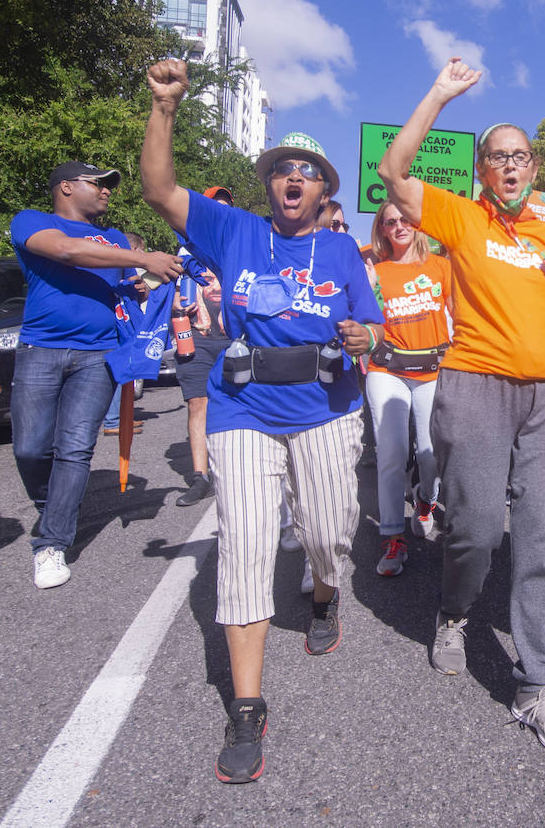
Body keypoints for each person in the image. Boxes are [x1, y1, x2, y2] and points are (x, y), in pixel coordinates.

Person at [143, 58, 385, 784]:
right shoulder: (234, 231)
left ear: (323, 190)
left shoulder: (343, 248)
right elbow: (158, 189)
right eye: (283, 166)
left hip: (326, 407)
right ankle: (247, 706)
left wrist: (363, 339)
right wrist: (164, 107)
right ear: (269, 180)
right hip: (243, 408)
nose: (293, 176)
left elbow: (373, 329)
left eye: (307, 170)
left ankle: (321, 591)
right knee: (246, 542)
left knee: (326, 532)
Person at [378, 57, 545, 754]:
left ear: (534, 165)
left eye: (519, 156)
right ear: (484, 170)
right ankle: (455, 612)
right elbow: (392, 172)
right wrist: (438, 93)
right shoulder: (461, 218)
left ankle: (537, 684)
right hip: (475, 385)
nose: (510, 166)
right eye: (497, 157)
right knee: (474, 529)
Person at [12, 161, 183, 589]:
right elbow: (67, 252)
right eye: (99, 183)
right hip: (41, 349)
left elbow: (127, 287)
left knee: (74, 449)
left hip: (98, 355)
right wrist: (143, 256)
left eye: (111, 185)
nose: (108, 190)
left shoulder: (114, 239)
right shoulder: (33, 221)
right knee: (31, 448)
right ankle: (53, 506)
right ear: (66, 188)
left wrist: (142, 282)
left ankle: (51, 542)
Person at [365, 200, 453, 574]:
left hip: (432, 369)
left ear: (417, 224)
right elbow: (364, 321)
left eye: (405, 220)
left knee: (430, 453)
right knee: (391, 452)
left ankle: (426, 499)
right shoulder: (376, 270)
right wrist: (368, 289)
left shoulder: (441, 266)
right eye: (390, 222)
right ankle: (392, 538)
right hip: (387, 369)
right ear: (382, 229)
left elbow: (459, 317)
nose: (399, 226)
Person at [175, 189, 234, 508]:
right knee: (198, 403)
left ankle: (234, 467)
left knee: (232, 405)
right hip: (195, 335)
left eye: (226, 208)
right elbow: (172, 277)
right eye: (215, 207)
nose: (220, 213)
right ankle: (201, 477)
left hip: (232, 339)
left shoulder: (239, 247)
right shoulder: (187, 246)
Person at [101, 230, 150, 436]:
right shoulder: (111, 262)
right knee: (119, 371)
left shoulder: (124, 265)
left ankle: (121, 417)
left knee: (124, 372)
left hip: (122, 323)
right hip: (115, 325)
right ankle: (113, 420)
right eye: (139, 250)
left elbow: (139, 287)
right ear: (133, 248)